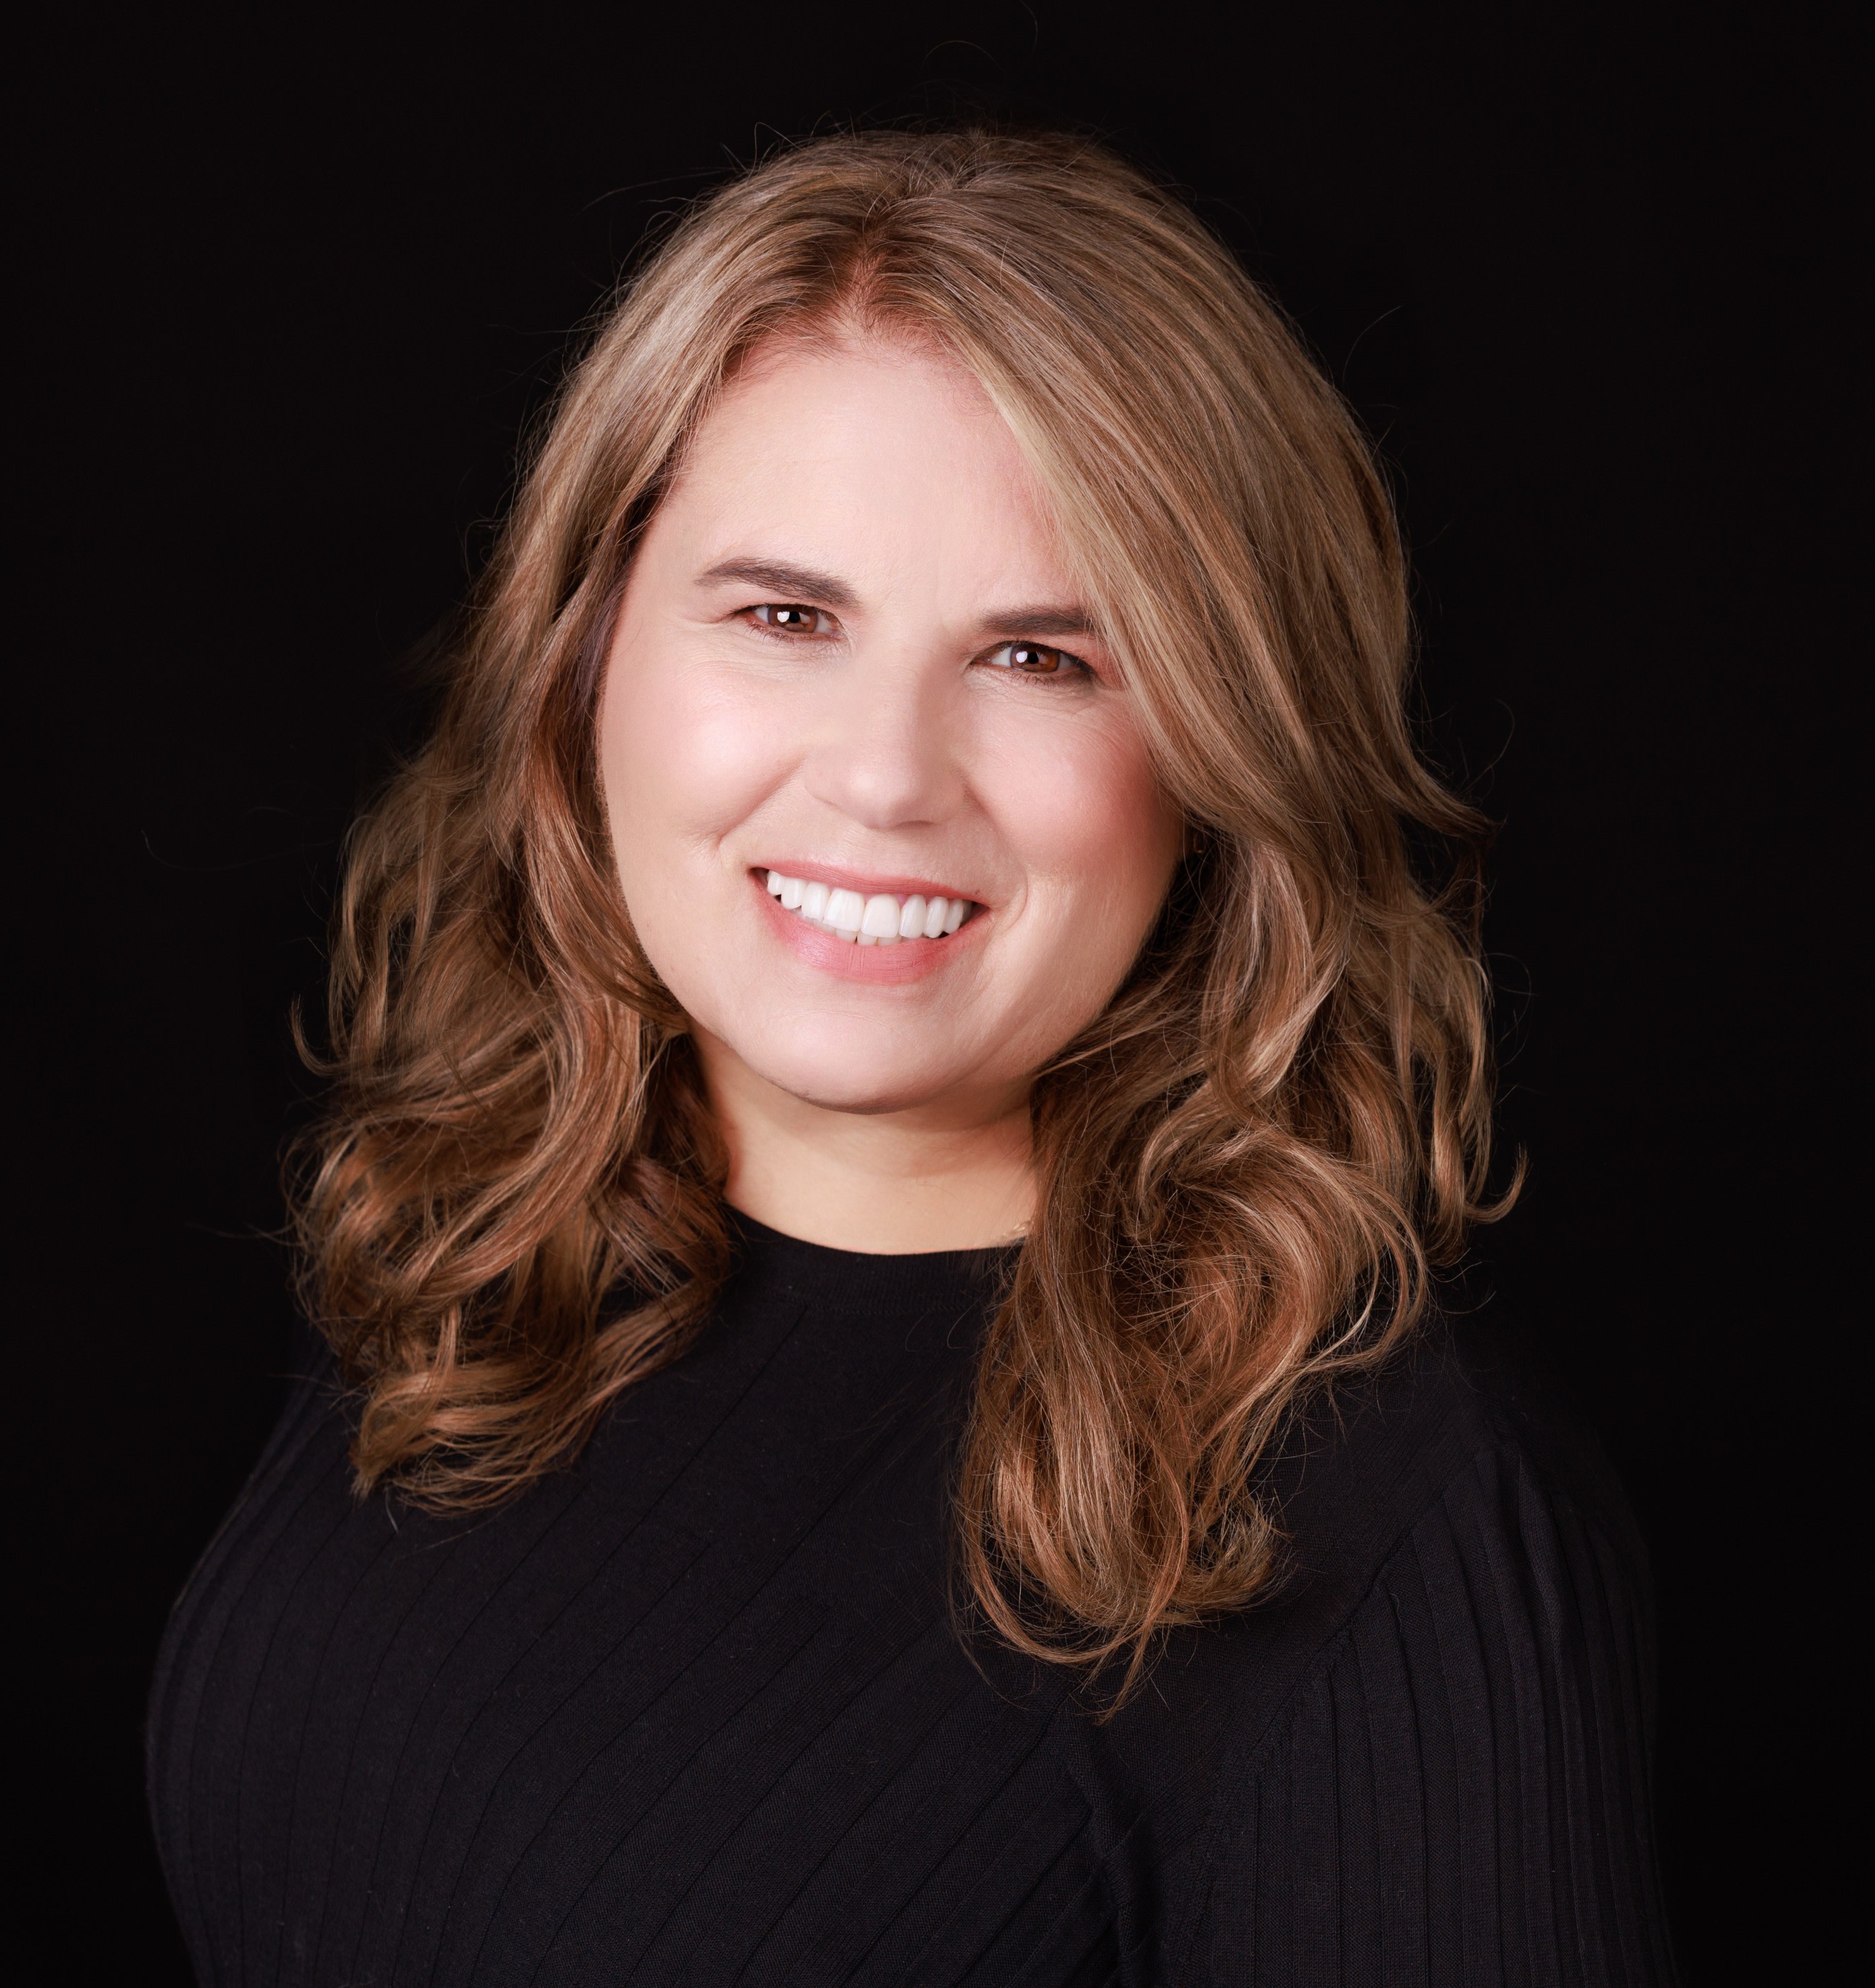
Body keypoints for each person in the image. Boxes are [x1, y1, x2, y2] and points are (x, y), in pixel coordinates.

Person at [148, 128, 1676, 1985]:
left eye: (1044, 660)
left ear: (1218, 756)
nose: (884, 776)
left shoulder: (1392, 1529)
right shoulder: (476, 1236)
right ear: (588, 646)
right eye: (786, 617)